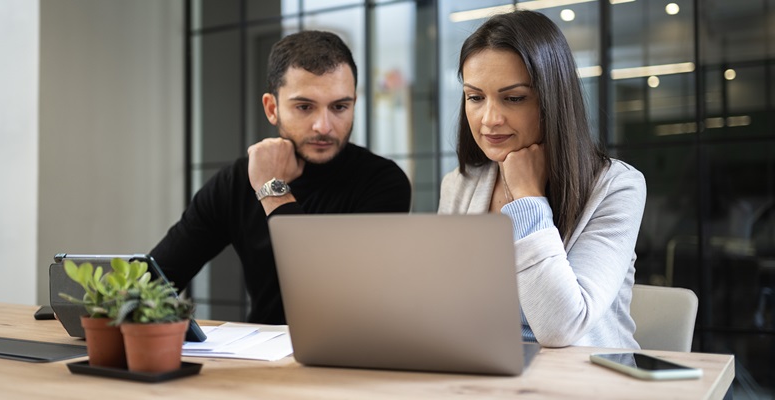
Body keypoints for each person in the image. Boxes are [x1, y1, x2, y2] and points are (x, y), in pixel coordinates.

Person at [151, 30, 412, 325]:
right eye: (304, 107)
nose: (323, 126)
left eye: (340, 107)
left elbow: (331, 296)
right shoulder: (237, 181)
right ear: (272, 109)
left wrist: (272, 191)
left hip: (347, 358)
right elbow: (157, 278)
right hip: (261, 358)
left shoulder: (382, 182)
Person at [437, 10, 646, 349]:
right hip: (485, 371)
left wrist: (527, 198)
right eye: (475, 97)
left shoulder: (618, 187)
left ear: (551, 99)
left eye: (514, 98)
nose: (489, 119)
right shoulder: (460, 184)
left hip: (583, 381)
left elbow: (561, 326)